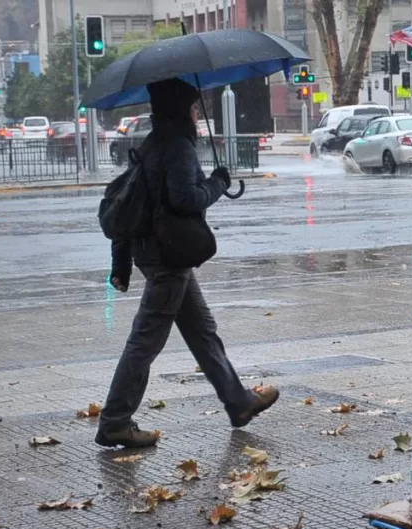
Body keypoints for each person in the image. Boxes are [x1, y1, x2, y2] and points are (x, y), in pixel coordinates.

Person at [98, 78, 278, 449]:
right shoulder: (177, 146)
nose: (196, 114)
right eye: (193, 107)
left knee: (201, 331)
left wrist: (122, 263)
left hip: (160, 254)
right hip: (168, 257)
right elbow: (185, 199)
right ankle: (115, 421)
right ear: (182, 109)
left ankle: (239, 402)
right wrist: (217, 183)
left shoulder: (153, 143)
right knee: (144, 342)